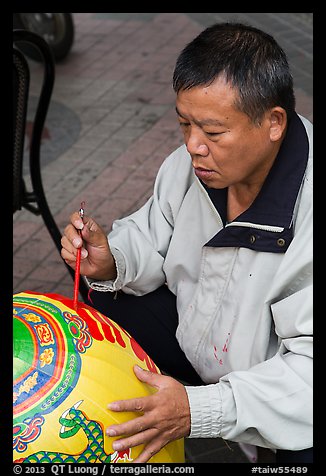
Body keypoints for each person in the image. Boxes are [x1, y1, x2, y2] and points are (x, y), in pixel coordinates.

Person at [61, 22, 313, 463]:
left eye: (213, 133)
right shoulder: (192, 166)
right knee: (100, 296)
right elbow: (152, 233)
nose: (193, 146)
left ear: (274, 123)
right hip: (197, 343)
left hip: (275, 399)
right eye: (184, 124)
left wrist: (199, 411)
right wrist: (111, 260)